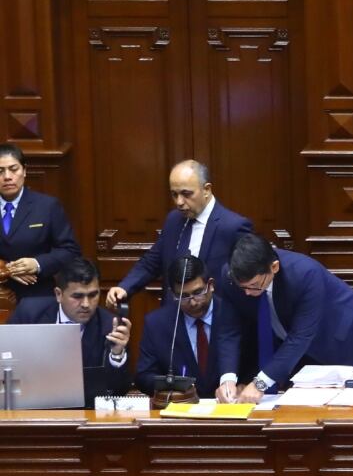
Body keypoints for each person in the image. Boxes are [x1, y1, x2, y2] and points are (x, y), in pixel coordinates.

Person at [225, 233, 353, 404]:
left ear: (274, 267)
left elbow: (300, 337)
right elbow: (228, 327)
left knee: (351, 406)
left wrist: (259, 384)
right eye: (243, 287)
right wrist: (227, 378)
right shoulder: (233, 275)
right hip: (295, 346)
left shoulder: (305, 273)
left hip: (344, 335)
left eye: (254, 285)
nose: (248, 293)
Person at [107, 160, 254, 309]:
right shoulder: (173, 220)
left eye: (186, 194)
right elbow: (152, 261)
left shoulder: (233, 227)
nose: (179, 202)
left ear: (207, 190)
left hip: (215, 321)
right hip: (175, 320)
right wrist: (125, 287)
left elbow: (247, 278)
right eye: (174, 194)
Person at [7, 259, 133, 399]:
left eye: (93, 295)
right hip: (32, 402)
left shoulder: (110, 325)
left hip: (85, 410)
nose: (86, 304)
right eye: (78, 296)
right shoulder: (29, 313)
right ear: (58, 294)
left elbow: (119, 390)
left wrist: (117, 354)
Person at [135, 255, 243, 401]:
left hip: (230, 408)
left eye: (198, 293)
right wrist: (174, 388)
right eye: (183, 296)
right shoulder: (156, 324)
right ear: (173, 294)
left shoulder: (234, 314)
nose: (192, 302)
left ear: (210, 285)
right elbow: (144, 377)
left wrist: (243, 385)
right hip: (178, 412)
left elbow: (251, 364)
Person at [0, 143, 82, 302]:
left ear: (24, 171)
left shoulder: (47, 206)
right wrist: (6, 270)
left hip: (38, 297)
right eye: (0, 171)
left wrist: (37, 263)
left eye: (13, 169)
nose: (7, 176)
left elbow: (70, 251)